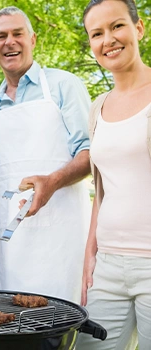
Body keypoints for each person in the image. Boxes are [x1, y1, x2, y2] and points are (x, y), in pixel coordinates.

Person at [0, 6, 92, 303]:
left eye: (18, 33)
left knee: (59, 326)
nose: (10, 42)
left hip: (60, 240)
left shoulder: (64, 85)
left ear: (32, 39)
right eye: (1, 36)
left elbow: (90, 154)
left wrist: (53, 181)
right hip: (8, 246)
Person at [76, 1, 151, 349]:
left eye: (117, 26)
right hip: (107, 266)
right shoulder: (98, 106)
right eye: (97, 33)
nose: (108, 39)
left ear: (139, 28)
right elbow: (101, 189)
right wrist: (90, 254)